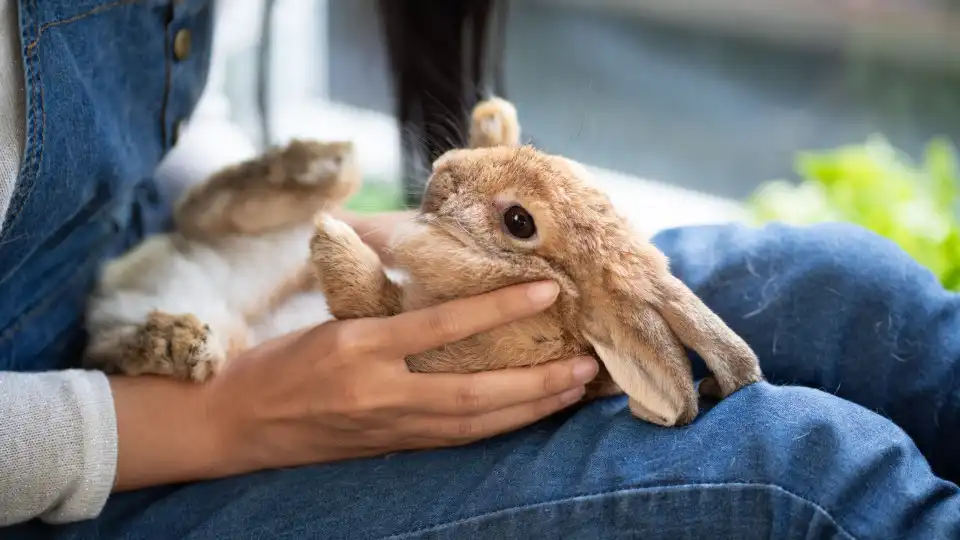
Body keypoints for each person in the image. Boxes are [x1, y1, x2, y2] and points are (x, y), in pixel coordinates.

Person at [1, 1, 959, 538]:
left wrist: (279, 230)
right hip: (81, 457)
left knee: (845, 293)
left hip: (199, 270)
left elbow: (147, 119)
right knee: (798, 477)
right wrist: (227, 420)